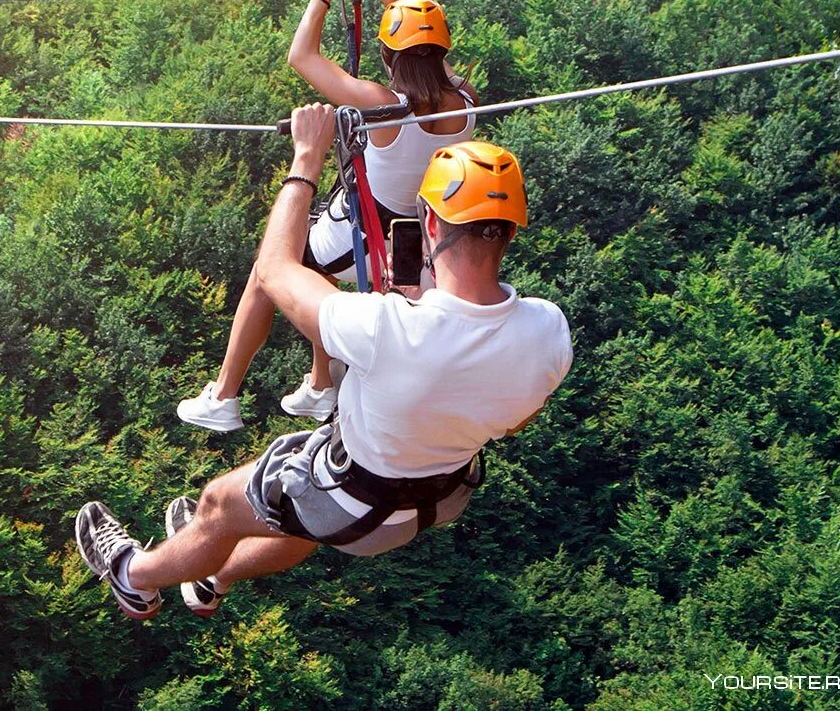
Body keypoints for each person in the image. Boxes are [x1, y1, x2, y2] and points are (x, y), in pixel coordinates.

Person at [77, 105, 571, 620]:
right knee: (298, 516)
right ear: (512, 231)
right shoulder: (548, 331)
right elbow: (516, 420)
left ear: (427, 220)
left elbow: (273, 270)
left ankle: (132, 577)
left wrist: (306, 159)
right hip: (437, 500)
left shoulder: (385, 326)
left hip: (354, 499)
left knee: (219, 506)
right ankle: (213, 578)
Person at [177, 0, 481, 432]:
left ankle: (223, 396)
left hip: (365, 232)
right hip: (413, 238)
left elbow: (302, 56)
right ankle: (321, 386)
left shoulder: (383, 106)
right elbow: (430, 61)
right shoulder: (467, 100)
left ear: (387, 54)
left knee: (268, 270)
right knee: (319, 275)